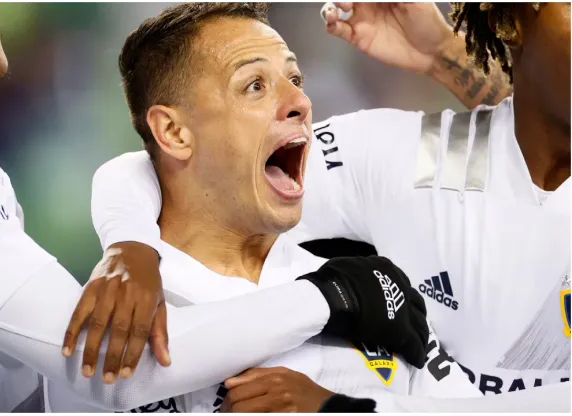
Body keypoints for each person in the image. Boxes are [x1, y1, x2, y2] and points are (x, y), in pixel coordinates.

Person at [0, 2, 430, 411]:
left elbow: (134, 166)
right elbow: (109, 371)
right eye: (252, 84)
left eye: (292, 78)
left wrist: (129, 241)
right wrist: (334, 296)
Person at [81, 0, 570, 399]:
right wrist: (130, 245)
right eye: (256, 84)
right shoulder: (402, 159)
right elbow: (169, 170)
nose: (299, 101)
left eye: (296, 80)